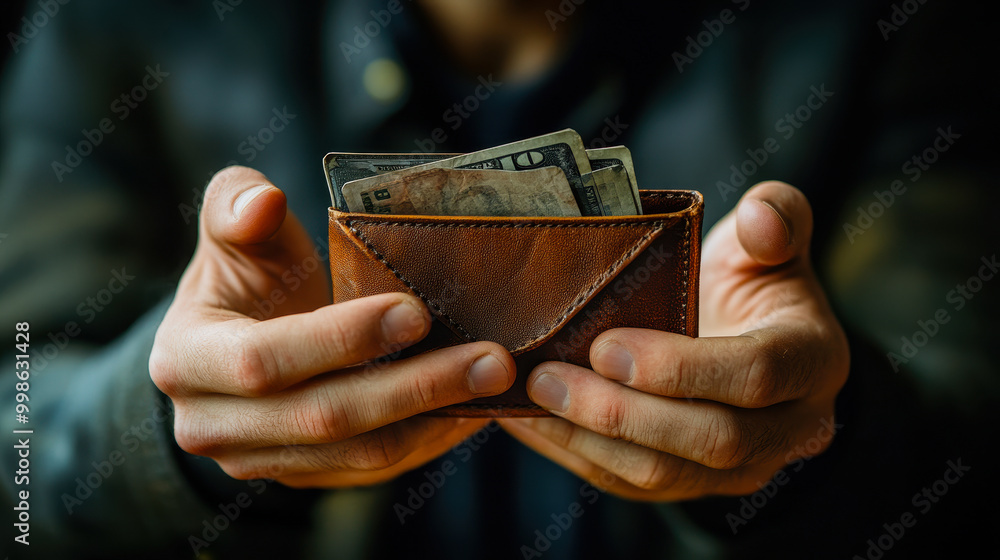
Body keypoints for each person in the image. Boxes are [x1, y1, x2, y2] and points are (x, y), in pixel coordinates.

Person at [0, 0, 995, 558]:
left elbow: (968, 454)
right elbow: (14, 455)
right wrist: (164, 425)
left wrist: (823, 426)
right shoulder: (119, 21)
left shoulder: (892, 27)